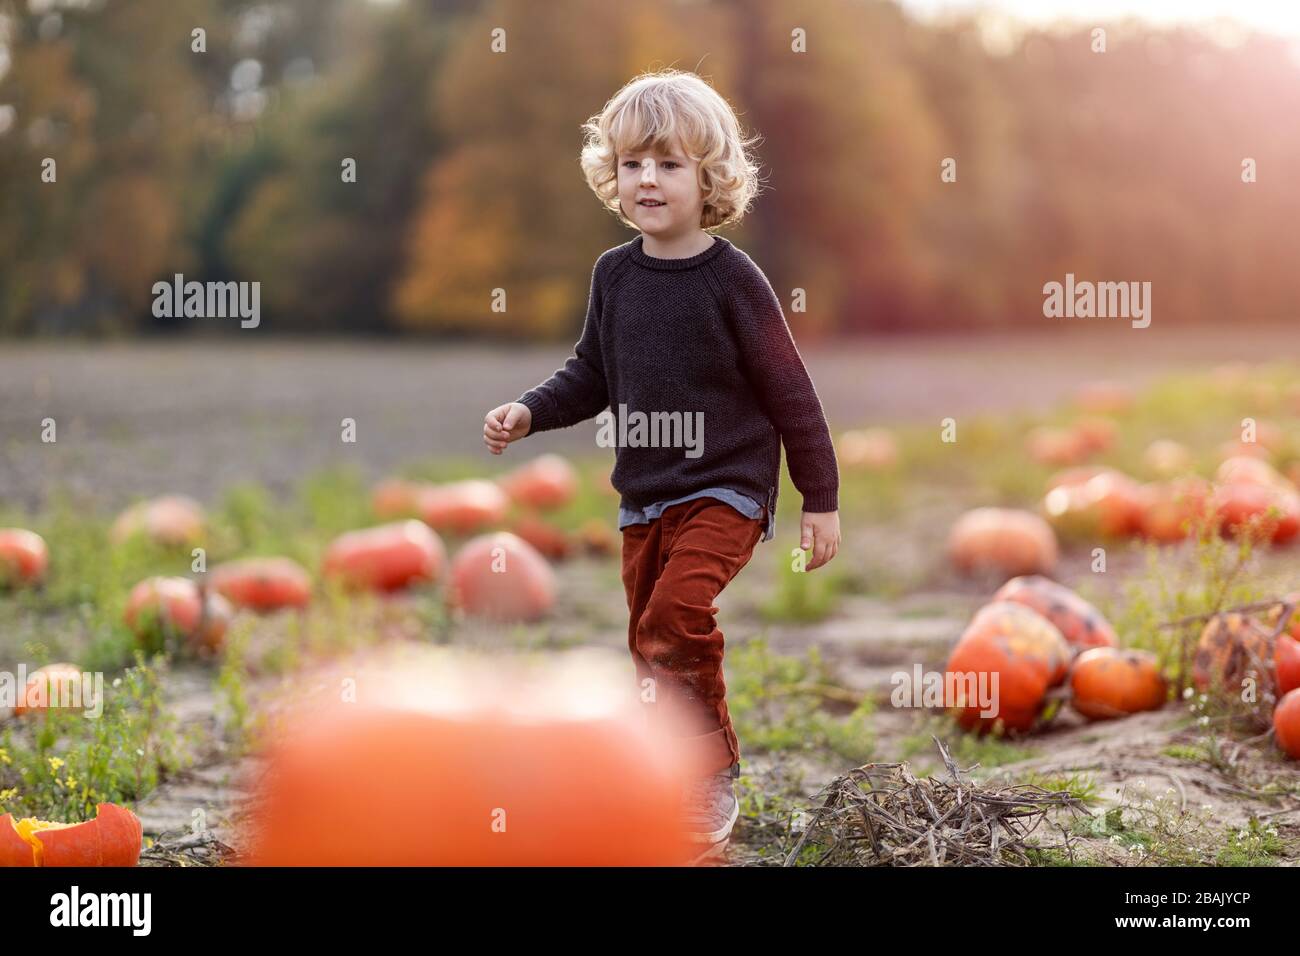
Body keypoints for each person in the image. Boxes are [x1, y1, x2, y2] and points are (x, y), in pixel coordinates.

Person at [482, 69, 840, 850]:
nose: (649, 179)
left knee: (677, 616)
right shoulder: (613, 276)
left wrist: (820, 498)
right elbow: (593, 375)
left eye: (670, 165)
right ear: (612, 174)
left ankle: (712, 772)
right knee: (647, 641)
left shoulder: (733, 280)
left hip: (729, 488)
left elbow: (792, 392)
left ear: (709, 178)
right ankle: (657, 776)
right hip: (645, 498)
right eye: (634, 164)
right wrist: (531, 410)